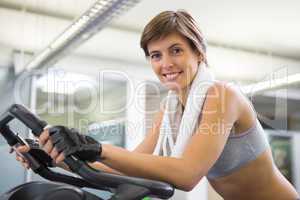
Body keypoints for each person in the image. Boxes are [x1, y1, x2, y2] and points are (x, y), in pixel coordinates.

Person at [14, 10, 299, 200]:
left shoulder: (222, 97)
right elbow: (130, 167)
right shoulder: (171, 108)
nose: (166, 64)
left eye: (176, 50)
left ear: (198, 52)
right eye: (155, 55)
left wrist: (96, 147)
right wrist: (55, 159)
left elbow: (187, 174)